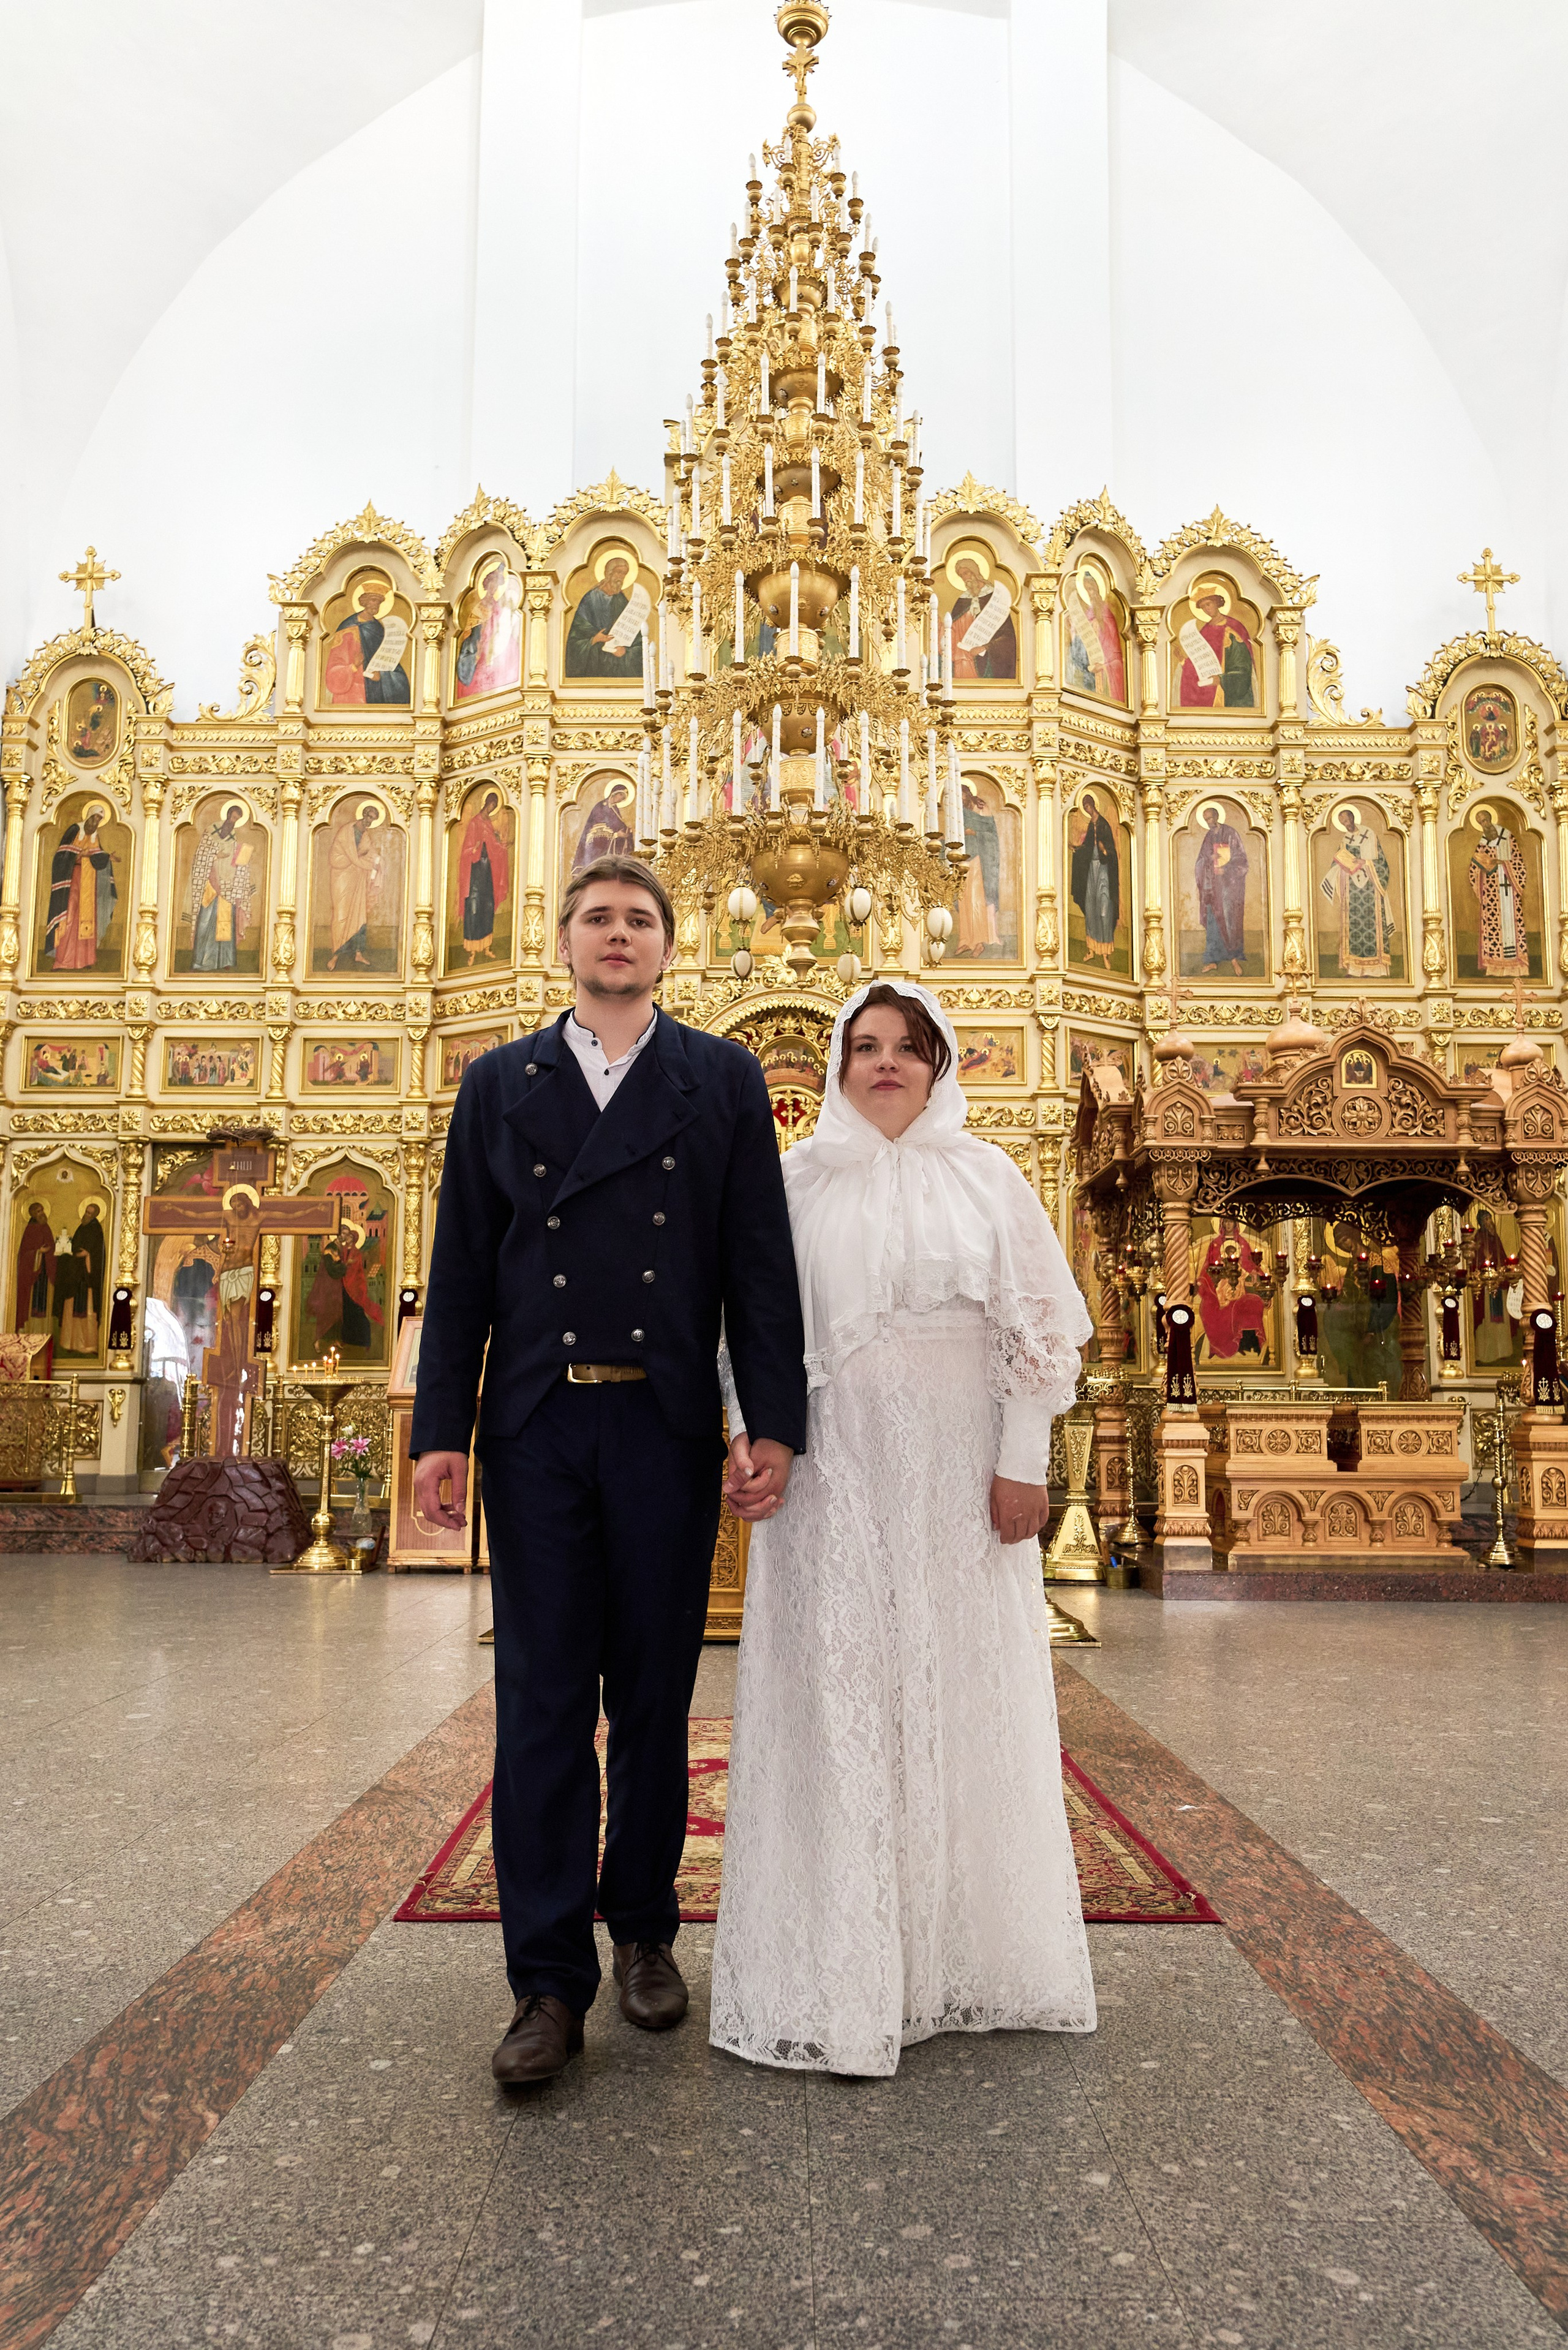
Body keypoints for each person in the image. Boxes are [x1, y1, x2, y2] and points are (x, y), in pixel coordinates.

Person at [412, 854, 807, 2087]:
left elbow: (757, 1264)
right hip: (535, 1427)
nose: (618, 935)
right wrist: (440, 1430)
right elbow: (462, 1268)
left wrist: (775, 1423)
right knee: (538, 1702)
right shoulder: (495, 1081)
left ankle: (641, 1929)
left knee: (649, 1693)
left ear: (667, 945)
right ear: (563, 937)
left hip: (665, 1428)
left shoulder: (720, 1076)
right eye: (598, 917)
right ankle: (543, 1979)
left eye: (639, 919)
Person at [709, 981, 1095, 2076]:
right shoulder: (790, 1185)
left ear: (940, 1065)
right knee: (840, 1694)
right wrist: (748, 1435)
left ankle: (968, 1956)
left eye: (907, 1049)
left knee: (959, 1688)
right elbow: (753, 1331)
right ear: (834, 1067)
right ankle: (838, 1966)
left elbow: (1036, 1328)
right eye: (864, 1047)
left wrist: (1024, 1463)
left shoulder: (986, 1175)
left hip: (961, 1486)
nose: (885, 1064)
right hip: (832, 1482)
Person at [1193, 803, 1249, 975]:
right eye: (1206, 820)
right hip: (1212, 888)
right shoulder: (1209, 837)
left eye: (1210, 818)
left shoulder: (1231, 834)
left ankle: (1233, 959)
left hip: (1228, 888)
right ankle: (1212, 960)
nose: (1209, 822)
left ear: (1217, 817)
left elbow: (1242, 860)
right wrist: (1209, 859)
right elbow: (1200, 862)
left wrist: (1227, 869)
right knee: (1212, 922)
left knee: (1229, 921)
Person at [1069, 793, 1120, 968]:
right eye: (1085, 809)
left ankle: (1105, 954)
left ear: (1093, 805)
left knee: (1105, 911)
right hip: (1091, 870)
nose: (1087, 811)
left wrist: (1105, 851)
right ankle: (1091, 950)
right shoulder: (1091, 826)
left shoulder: (1104, 825)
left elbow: (1112, 852)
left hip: (1104, 871)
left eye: (1088, 807)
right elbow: (1087, 847)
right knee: (1091, 909)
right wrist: (1077, 849)